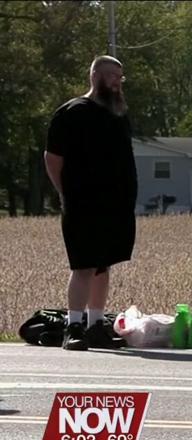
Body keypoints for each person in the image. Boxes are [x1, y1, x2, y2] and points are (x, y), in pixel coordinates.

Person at [43, 55, 136, 351]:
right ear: (95, 76)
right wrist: (65, 193)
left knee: (103, 266)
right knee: (83, 265)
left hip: (116, 205)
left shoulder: (118, 114)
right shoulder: (72, 112)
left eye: (120, 77)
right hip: (82, 203)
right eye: (112, 76)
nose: (117, 82)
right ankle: (74, 326)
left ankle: (96, 325)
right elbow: (52, 159)